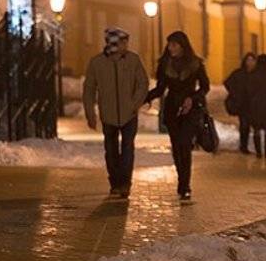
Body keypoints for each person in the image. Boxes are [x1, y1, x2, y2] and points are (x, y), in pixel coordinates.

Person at [81, 26, 151, 198]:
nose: (126, 45)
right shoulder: (97, 63)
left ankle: (125, 183)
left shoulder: (133, 60)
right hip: (108, 114)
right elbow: (89, 89)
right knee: (111, 150)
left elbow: (143, 83)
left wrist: (134, 104)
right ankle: (115, 183)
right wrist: (90, 113)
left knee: (127, 149)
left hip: (129, 115)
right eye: (122, 41)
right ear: (113, 43)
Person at [147, 30, 210, 201]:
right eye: (169, 44)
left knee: (184, 144)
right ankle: (182, 181)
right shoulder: (165, 64)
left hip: (190, 109)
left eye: (173, 44)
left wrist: (193, 98)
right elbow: (161, 89)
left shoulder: (196, 64)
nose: (170, 47)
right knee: (176, 146)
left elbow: (205, 87)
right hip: (173, 109)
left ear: (182, 46)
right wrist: (144, 98)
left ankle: (185, 185)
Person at [224, 52, 257, 154]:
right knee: (244, 125)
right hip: (242, 104)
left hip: (254, 103)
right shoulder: (239, 73)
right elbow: (227, 82)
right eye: (248, 60)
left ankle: (256, 148)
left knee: (254, 125)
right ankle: (243, 147)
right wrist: (235, 93)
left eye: (252, 60)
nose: (250, 63)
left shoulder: (257, 74)